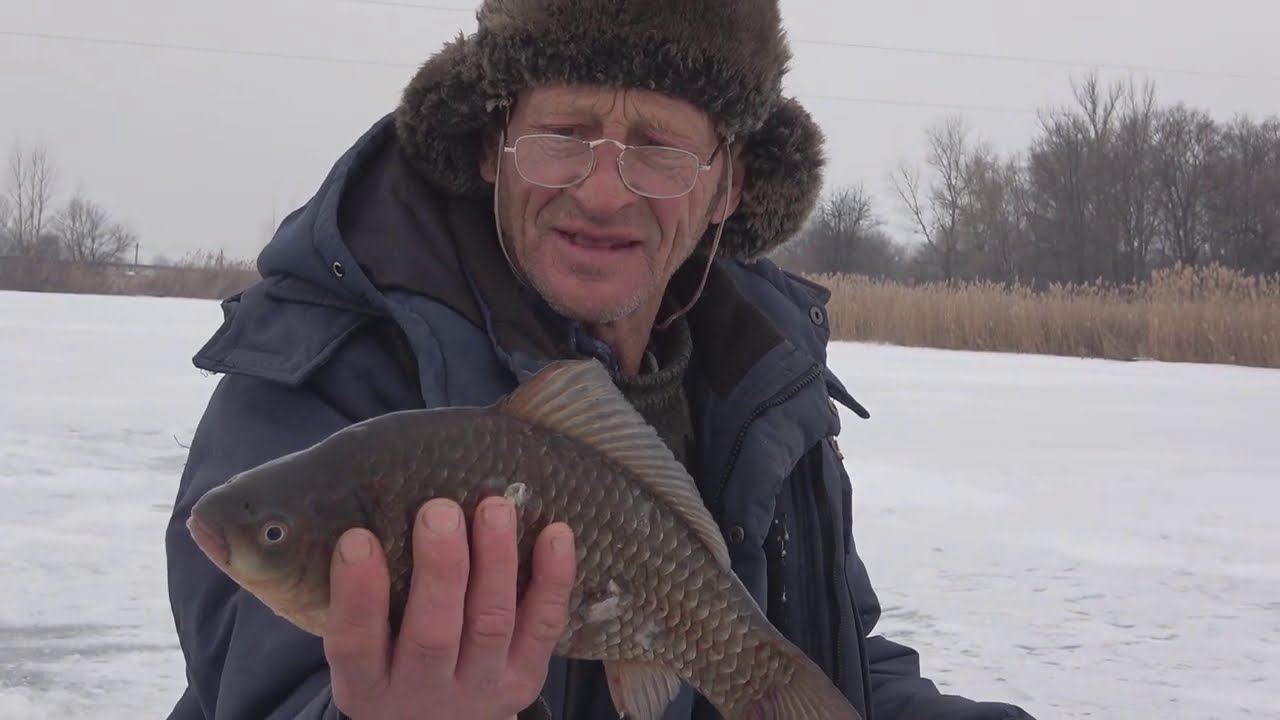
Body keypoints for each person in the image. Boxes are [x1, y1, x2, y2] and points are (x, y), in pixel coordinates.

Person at [163, 0, 1037, 718]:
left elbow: (823, 658)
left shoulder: (767, 381)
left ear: (726, 184)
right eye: (564, 133)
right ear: (488, 144)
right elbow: (261, 689)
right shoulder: (323, 375)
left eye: (658, 147)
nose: (604, 190)